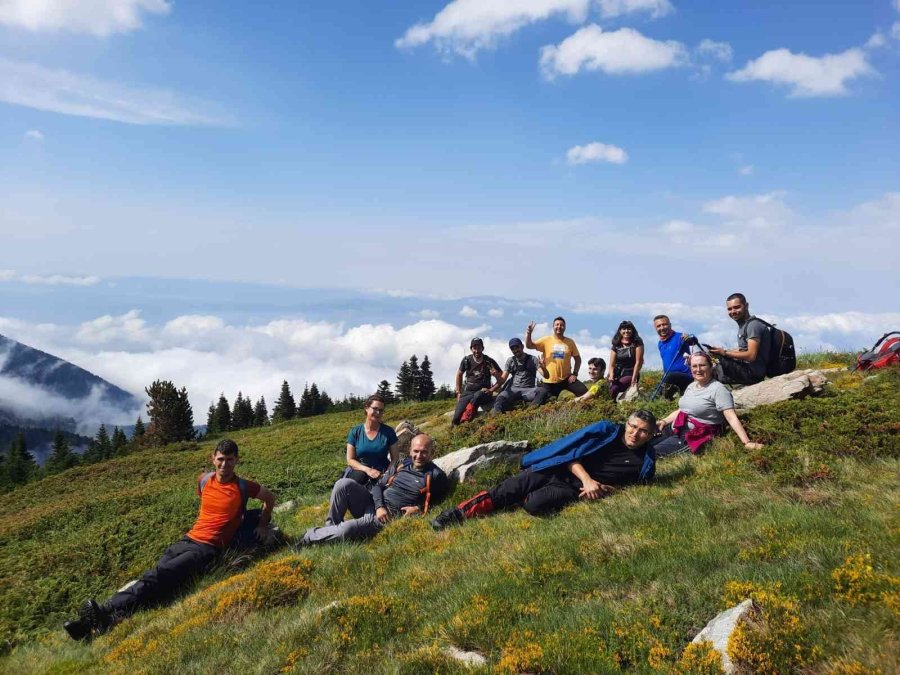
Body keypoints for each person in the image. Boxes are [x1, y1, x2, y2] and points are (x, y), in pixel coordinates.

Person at [63, 439, 276, 640]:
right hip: (188, 539)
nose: (225, 464)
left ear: (237, 460)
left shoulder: (243, 487)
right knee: (159, 583)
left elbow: (269, 498)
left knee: (157, 576)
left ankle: (105, 609)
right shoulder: (204, 480)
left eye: (230, 460)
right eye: (221, 459)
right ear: (213, 459)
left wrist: (262, 525)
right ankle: (99, 624)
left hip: (206, 549)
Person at [431, 410, 657, 529]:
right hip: (558, 469)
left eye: (643, 431)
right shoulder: (606, 431)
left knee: (534, 505)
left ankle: (519, 498)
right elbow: (570, 454)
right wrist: (588, 480)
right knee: (508, 489)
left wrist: (604, 489)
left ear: (651, 434)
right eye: (633, 426)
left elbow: (630, 487)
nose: (635, 434)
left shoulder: (645, 461)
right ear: (626, 423)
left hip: (573, 490)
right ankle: (455, 515)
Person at [300, 434, 449, 545]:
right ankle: (330, 529)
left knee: (346, 529)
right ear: (410, 450)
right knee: (343, 484)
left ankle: (307, 537)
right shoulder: (402, 464)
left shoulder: (436, 476)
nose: (419, 456)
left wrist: (418, 508)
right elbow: (378, 485)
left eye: (424, 452)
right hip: (374, 503)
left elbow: (438, 501)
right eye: (416, 451)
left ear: (431, 453)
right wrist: (379, 506)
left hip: (386, 517)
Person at [651, 352, 764, 457]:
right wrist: (664, 421)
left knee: (652, 452)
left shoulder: (718, 389)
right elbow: (683, 410)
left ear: (711, 367)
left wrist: (747, 442)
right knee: (643, 440)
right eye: (694, 366)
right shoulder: (691, 386)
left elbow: (731, 417)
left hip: (695, 434)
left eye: (702, 365)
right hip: (677, 426)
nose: (698, 369)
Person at [707, 293, 770, 385]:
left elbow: (751, 356)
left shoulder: (753, 325)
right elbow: (743, 349)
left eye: (737, 307)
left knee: (713, 361)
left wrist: (724, 353)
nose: (733, 311)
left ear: (746, 306)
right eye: (729, 309)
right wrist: (720, 351)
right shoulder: (744, 326)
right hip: (748, 370)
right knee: (708, 358)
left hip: (753, 374)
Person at [525, 316, 588, 399]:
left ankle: (577, 404)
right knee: (548, 402)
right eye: (557, 324)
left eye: (562, 325)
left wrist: (575, 373)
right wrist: (529, 333)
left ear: (565, 327)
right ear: (553, 326)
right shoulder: (546, 340)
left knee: (584, 392)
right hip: (550, 381)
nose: (559, 327)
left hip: (567, 379)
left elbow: (578, 359)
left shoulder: (570, 342)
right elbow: (529, 346)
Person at [344, 393, 399, 483]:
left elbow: (395, 459)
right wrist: (367, 470)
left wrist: (387, 475)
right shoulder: (355, 431)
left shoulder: (389, 432)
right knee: (347, 485)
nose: (378, 413)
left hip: (382, 473)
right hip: (360, 471)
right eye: (375, 409)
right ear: (367, 408)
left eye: (381, 410)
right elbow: (350, 460)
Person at [491, 338, 550, 414]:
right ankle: (497, 418)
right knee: (500, 397)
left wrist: (544, 368)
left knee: (542, 391)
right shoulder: (510, 361)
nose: (515, 350)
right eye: (513, 349)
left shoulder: (533, 359)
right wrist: (496, 376)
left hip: (528, 390)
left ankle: (529, 412)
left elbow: (546, 376)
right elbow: (502, 380)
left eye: (517, 347)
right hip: (513, 390)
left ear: (522, 346)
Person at [452, 337, 502, 425]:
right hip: (468, 392)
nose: (477, 351)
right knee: (456, 417)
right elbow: (459, 374)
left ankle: (467, 419)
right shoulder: (466, 360)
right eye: (474, 348)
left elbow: (501, 376)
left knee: (478, 395)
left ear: (483, 348)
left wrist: (492, 389)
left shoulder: (489, 361)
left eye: (479, 348)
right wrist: (458, 392)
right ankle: (454, 427)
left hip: (484, 392)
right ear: (471, 349)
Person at [653, 315, 695, 399]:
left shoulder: (680, 337)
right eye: (659, 326)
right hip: (669, 378)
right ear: (655, 328)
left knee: (670, 376)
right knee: (658, 386)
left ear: (670, 325)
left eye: (664, 324)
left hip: (686, 376)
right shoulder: (660, 343)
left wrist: (690, 338)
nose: (662, 328)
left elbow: (692, 341)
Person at [607, 320, 644, 400]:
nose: (626, 331)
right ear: (620, 331)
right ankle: (610, 405)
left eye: (629, 329)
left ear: (632, 330)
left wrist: (634, 378)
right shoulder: (616, 344)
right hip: (617, 373)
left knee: (615, 389)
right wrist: (611, 375)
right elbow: (612, 364)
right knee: (607, 389)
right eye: (624, 329)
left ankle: (612, 405)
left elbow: (639, 362)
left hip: (630, 373)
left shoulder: (637, 342)